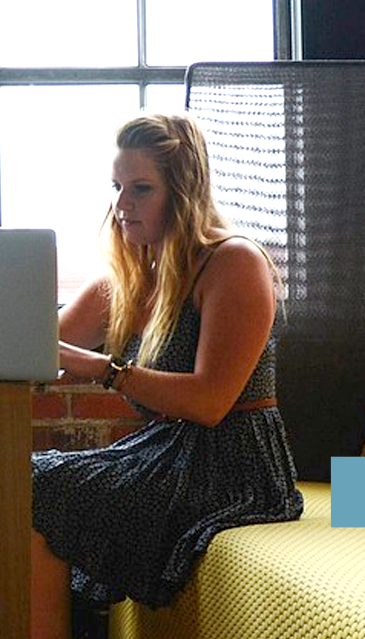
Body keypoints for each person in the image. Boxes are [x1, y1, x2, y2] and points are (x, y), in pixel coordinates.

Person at [31, 113, 305, 639]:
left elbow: (210, 402)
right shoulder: (133, 276)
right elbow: (36, 346)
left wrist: (103, 369)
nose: (121, 205)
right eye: (115, 187)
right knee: (19, 482)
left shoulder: (233, 261)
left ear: (181, 194)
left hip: (234, 466)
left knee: (36, 485)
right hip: (163, 453)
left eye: (141, 189)